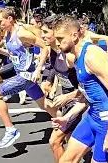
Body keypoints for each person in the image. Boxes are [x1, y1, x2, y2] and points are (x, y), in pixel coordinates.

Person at [52, 15, 108, 163]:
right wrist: (67, 118)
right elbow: (87, 95)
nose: (57, 43)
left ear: (74, 35)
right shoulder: (75, 57)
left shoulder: (91, 55)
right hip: (92, 117)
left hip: (106, 123)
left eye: (60, 39)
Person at [0, 7, 57, 148]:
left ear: (10, 19)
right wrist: (0, 50)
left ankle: (11, 130)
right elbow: (16, 56)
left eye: (0, 21)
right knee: (46, 106)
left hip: (26, 76)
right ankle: (67, 124)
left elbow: (45, 47)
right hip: (24, 75)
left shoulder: (22, 34)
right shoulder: (7, 34)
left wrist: (38, 69)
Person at [40, 14, 85, 162]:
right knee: (72, 143)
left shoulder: (70, 56)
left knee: (55, 141)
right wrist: (49, 80)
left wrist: (69, 96)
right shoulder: (53, 50)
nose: (42, 35)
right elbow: (54, 67)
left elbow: (89, 86)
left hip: (78, 101)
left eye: (46, 32)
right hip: (66, 100)